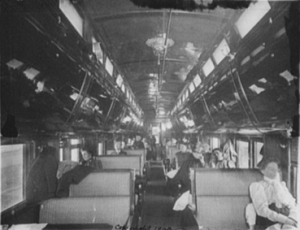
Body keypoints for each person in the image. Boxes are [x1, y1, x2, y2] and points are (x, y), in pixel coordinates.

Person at [245, 158, 298, 230]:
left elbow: (292, 204)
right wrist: (285, 220)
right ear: (263, 170)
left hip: (287, 221)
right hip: (269, 221)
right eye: (271, 169)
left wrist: (292, 219)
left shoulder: (281, 185)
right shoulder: (257, 186)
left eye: (276, 170)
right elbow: (262, 210)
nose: (274, 172)